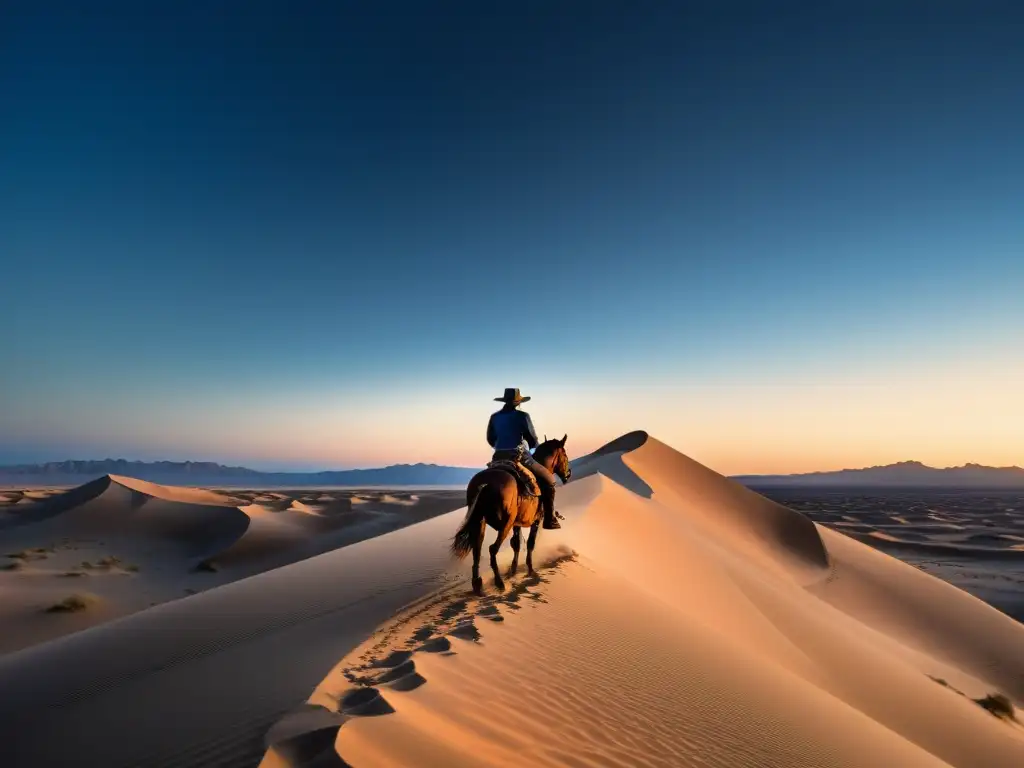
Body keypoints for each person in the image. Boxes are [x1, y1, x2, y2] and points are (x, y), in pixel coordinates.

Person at [486, 388, 561, 529]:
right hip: (518, 456)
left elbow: (490, 439)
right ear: (518, 402)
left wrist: (501, 445)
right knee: (550, 481)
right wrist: (533, 446)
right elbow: (532, 440)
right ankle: (549, 519)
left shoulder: (494, 417)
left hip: (497, 457)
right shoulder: (523, 416)